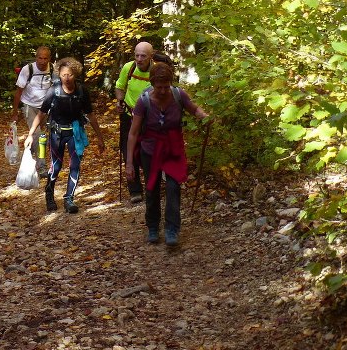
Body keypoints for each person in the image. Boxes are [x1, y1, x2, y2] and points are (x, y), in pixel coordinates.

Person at [125, 61, 210, 246]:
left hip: (173, 147)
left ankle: (172, 229)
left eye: (166, 86)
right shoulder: (144, 101)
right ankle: (153, 227)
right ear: (152, 84)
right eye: (159, 87)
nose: (163, 91)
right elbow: (133, 133)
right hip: (150, 148)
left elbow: (194, 108)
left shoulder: (178, 95)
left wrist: (203, 115)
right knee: (152, 188)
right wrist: (129, 163)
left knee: (173, 187)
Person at [25, 57, 106, 213]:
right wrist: (30, 134)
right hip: (57, 134)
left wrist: (100, 137)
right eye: (63, 75)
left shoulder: (82, 91)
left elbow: (91, 115)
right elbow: (41, 114)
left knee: (75, 165)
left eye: (70, 75)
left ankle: (69, 198)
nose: (66, 78)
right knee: (56, 166)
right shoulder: (53, 91)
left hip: (75, 133)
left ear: (75, 74)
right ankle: (49, 195)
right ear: (58, 75)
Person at [114, 41, 155, 203]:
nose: (139, 59)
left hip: (149, 117)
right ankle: (135, 190)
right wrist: (119, 100)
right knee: (127, 150)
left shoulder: (156, 70)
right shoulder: (128, 68)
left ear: (150, 56)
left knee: (147, 150)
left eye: (143, 56)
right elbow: (120, 86)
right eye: (137, 55)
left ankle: (151, 185)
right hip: (129, 114)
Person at [13, 45, 54, 171]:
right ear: (36, 57)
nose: (42, 61)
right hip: (29, 106)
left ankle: (27, 155)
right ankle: (41, 166)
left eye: (45, 58)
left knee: (36, 136)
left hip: (45, 108)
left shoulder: (52, 69)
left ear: (49, 59)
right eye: (40, 58)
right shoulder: (28, 69)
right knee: (38, 135)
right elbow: (19, 91)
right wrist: (15, 111)